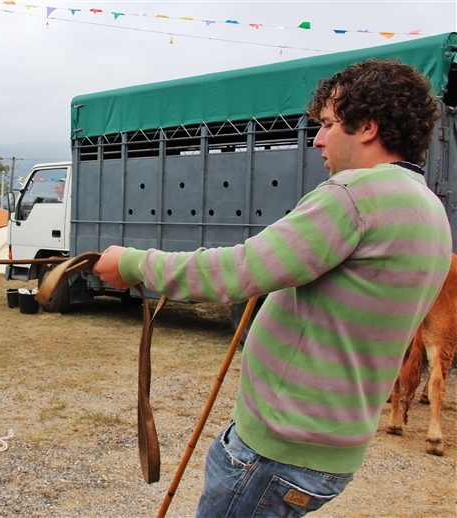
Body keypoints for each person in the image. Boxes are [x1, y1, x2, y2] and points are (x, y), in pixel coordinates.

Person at [92, 59, 452, 517]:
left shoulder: (354, 196)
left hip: (279, 450)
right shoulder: (428, 207)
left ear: (367, 127)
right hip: (330, 449)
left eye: (326, 125)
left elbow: (238, 271)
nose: (317, 139)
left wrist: (133, 263)